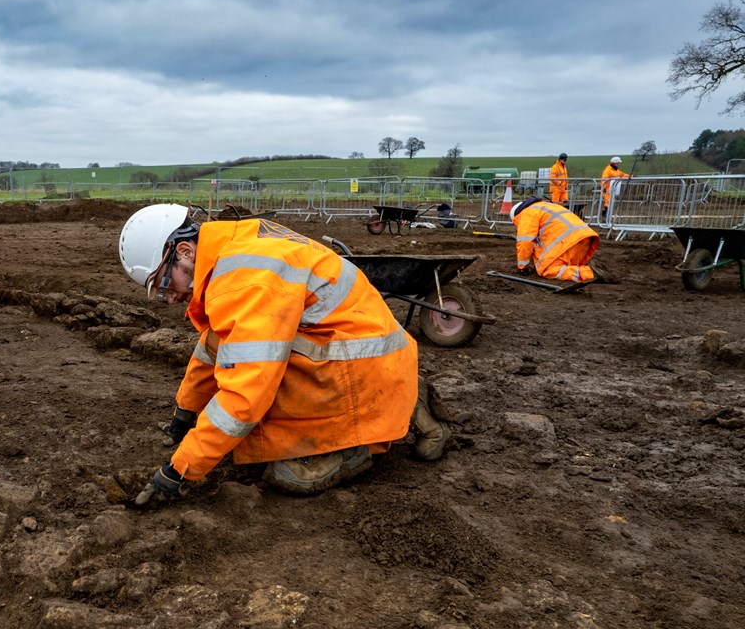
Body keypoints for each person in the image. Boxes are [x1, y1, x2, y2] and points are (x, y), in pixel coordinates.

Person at [117, 204, 451, 506]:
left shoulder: (243, 279)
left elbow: (245, 394)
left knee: (283, 461)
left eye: (163, 283)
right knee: (240, 350)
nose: (170, 298)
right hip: (369, 354)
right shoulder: (234, 249)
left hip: (364, 367)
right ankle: (401, 393)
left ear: (186, 251)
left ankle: (352, 446)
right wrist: (185, 412)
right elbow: (215, 343)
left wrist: (180, 470)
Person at [510, 197, 610, 283]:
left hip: (568, 241)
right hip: (584, 238)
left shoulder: (527, 213)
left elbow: (525, 242)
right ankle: (592, 270)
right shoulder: (546, 206)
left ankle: (589, 273)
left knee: (548, 270)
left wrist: (523, 267)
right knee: (567, 266)